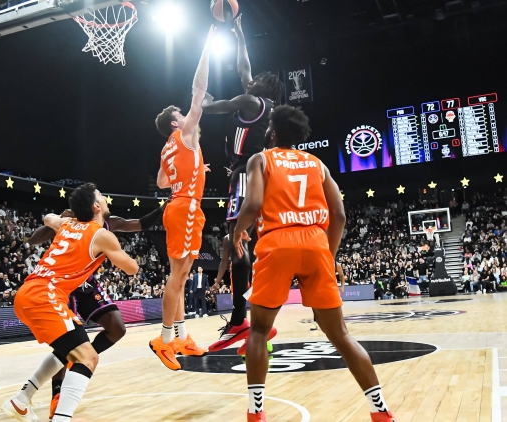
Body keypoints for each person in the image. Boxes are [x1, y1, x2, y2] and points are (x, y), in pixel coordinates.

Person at [232, 105, 396, 422]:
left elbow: (253, 203)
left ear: (274, 132)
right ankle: (381, 411)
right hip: (316, 243)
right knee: (342, 335)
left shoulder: (260, 159)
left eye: (268, 127)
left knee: (259, 331)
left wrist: (238, 230)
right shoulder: (317, 164)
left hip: (277, 243)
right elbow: (340, 215)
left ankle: (256, 413)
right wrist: (328, 255)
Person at [0, 183, 139, 422]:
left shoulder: (67, 224)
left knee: (69, 350)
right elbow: (132, 269)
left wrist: (66, 219)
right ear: (96, 207)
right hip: (45, 296)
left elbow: (48, 217)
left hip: (28, 293)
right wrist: (112, 250)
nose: (105, 198)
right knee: (88, 357)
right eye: (101, 196)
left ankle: (20, 401)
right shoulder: (102, 235)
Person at [25, 203, 166, 419]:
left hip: (87, 284)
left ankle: (78, 358)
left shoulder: (108, 223)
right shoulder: (69, 222)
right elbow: (33, 240)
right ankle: (57, 394)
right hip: (63, 286)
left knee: (117, 327)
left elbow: (140, 224)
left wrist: (161, 209)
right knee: (66, 340)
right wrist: (57, 221)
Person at [203, 15, 284, 353]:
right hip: (261, 175)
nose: (250, 80)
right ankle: (259, 319)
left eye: (256, 80)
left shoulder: (250, 102)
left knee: (236, 239)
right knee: (244, 242)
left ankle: (239, 319)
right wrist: (240, 35)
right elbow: (244, 68)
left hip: (245, 174)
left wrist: (201, 101)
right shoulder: (265, 105)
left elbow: (213, 107)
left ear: (262, 88)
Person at [149, 25, 217, 371]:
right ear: (177, 123)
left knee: (181, 275)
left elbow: (162, 181)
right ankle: (163, 340)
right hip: (186, 207)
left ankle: (181, 337)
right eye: (181, 114)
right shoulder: (186, 134)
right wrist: (207, 46)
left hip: (177, 204)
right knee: (178, 277)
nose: (186, 115)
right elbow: (198, 90)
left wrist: (195, 169)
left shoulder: (166, 148)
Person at [311, 261, 345, 331]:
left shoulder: (337, 265)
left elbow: (341, 275)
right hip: (321, 288)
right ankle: (315, 323)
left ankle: (339, 324)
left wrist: (342, 287)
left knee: (336, 307)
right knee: (316, 306)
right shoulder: (321, 263)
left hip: (332, 289)